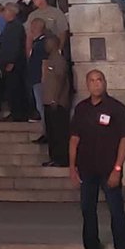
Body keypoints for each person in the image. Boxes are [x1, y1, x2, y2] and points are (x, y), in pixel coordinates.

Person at [69, 70, 125, 249]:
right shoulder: (81, 109)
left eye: (100, 80)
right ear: (87, 84)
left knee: (116, 211)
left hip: (109, 168)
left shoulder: (116, 108)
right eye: (92, 80)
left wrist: (118, 167)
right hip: (87, 168)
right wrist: (72, 167)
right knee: (87, 210)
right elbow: (74, 138)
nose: (96, 84)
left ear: (105, 83)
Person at [41, 36, 70, 168]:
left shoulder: (58, 60)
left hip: (57, 103)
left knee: (59, 133)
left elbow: (61, 79)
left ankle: (62, 158)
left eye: (47, 43)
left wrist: (55, 98)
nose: (46, 46)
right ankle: (54, 158)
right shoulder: (50, 60)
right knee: (51, 133)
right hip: (48, 101)